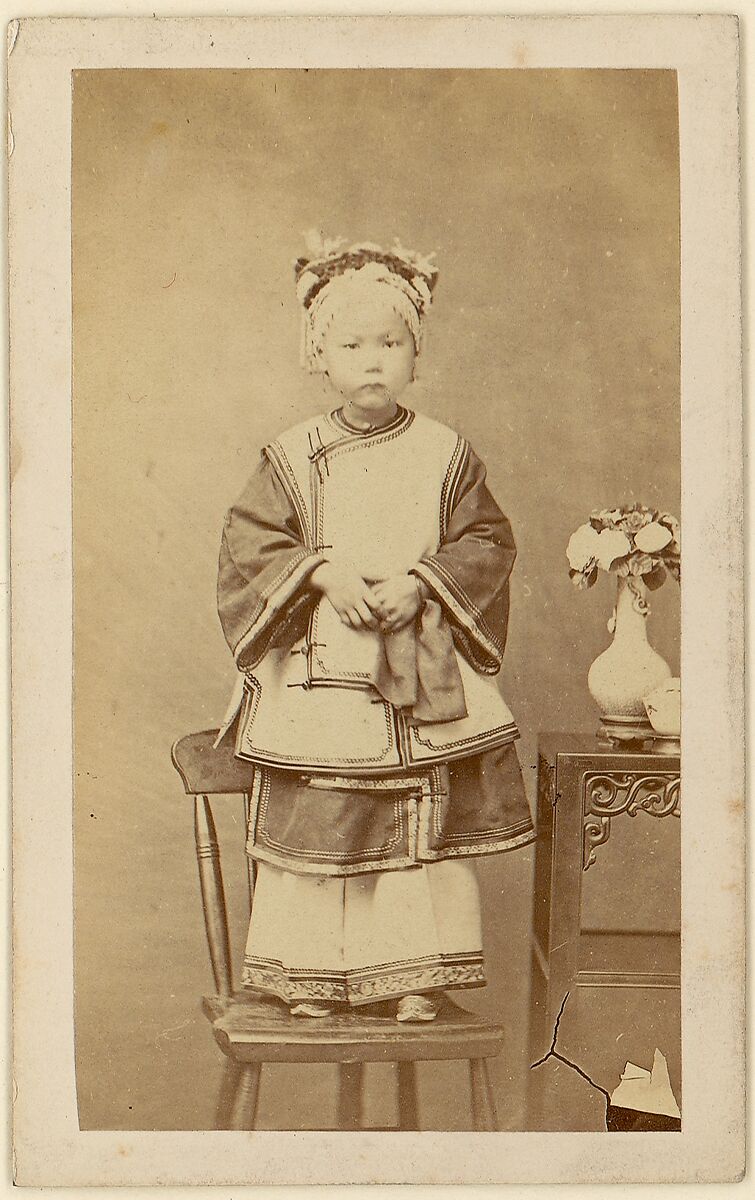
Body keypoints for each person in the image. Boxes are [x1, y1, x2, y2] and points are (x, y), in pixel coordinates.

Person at [216, 235, 534, 1022]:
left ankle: (409, 978)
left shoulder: (445, 453)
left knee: (413, 827)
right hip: (322, 673)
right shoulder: (293, 453)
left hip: (414, 666)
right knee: (324, 821)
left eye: (389, 344)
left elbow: (486, 540)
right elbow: (250, 539)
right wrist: (320, 572)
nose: (371, 361)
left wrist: (422, 581)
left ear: (414, 357)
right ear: (318, 355)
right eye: (351, 345)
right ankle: (308, 976)